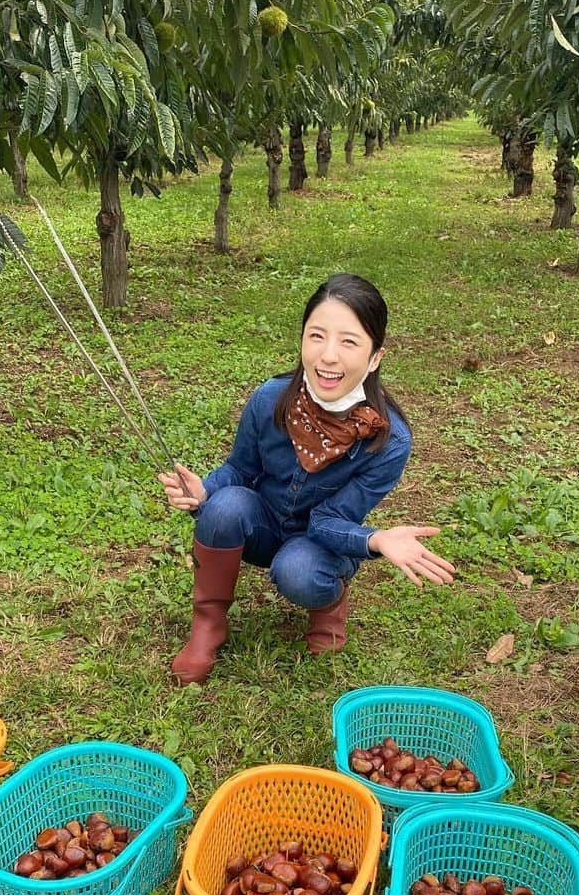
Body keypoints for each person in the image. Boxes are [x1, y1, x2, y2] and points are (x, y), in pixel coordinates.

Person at [158, 273, 456, 685]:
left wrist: (376, 539)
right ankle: (208, 624)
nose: (328, 356)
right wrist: (204, 489)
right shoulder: (270, 399)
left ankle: (329, 602)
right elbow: (240, 471)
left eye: (348, 342)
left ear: (374, 358)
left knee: (299, 571)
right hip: (263, 523)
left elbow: (329, 520)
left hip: (322, 541)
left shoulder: (388, 441)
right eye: (317, 336)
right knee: (224, 505)